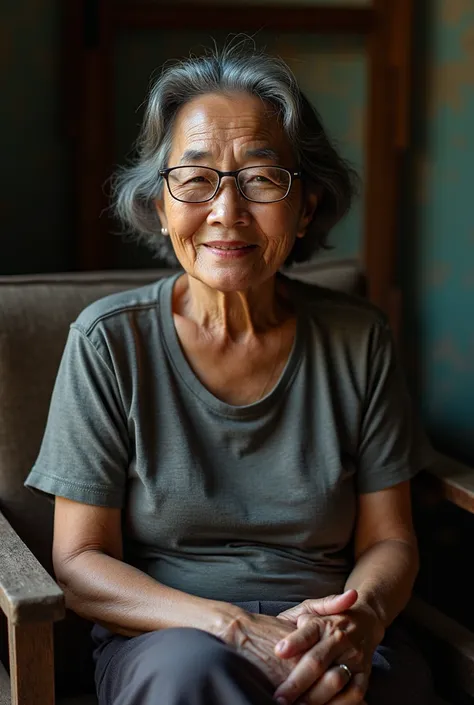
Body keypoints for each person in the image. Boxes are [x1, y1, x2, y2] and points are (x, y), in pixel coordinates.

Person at [25, 41, 439, 705]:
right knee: (193, 676)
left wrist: (359, 619)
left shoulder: (359, 339)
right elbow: (79, 566)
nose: (227, 210)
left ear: (305, 206)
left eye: (261, 178)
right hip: (169, 632)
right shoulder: (108, 341)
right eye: (195, 179)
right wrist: (231, 625)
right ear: (161, 204)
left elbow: (391, 537)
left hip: (324, 622)